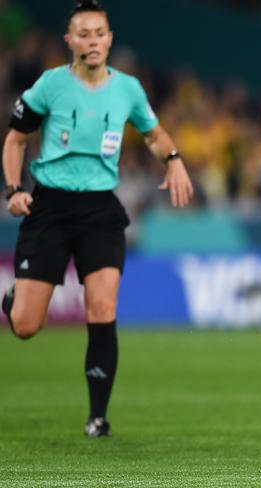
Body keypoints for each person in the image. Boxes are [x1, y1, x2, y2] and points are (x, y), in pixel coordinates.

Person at [1, 0, 193, 437]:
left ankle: (98, 417)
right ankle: (14, 301)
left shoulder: (127, 89)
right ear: (69, 40)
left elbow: (154, 134)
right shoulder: (50, 85)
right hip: (49, 208)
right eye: (83, 34)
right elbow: (15, 140)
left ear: (109, 38)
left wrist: (175, 159)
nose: (92, 41)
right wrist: (13, 191)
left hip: (100, 210)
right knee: (27, 327)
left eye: (99, 33)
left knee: (103, 308)